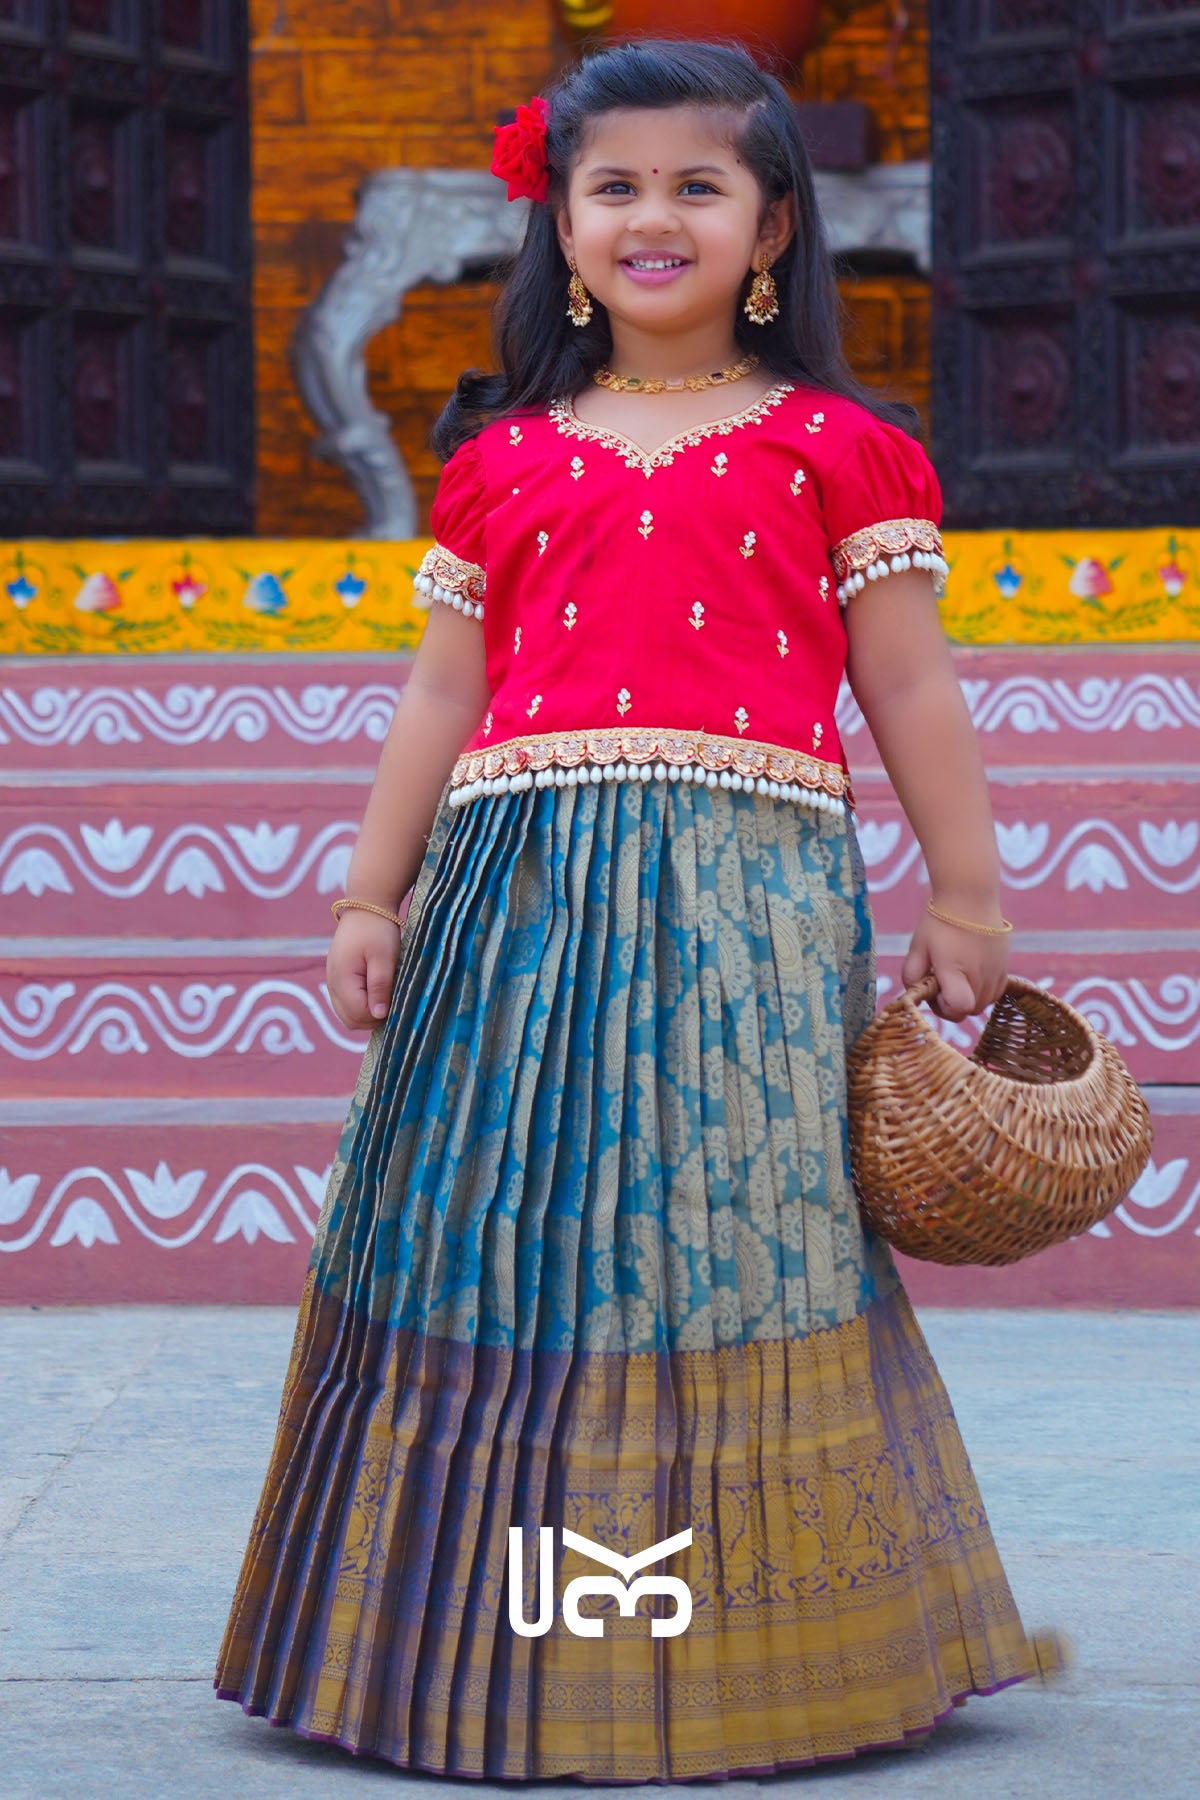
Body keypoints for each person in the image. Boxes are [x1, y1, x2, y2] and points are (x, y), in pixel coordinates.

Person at [215, 37, 1067, 1781]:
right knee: (502, 1229)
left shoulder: (842, 449)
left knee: (732, 1237)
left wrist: (968, 898)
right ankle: (496, 1651)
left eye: (699, 185)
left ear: (771, 233)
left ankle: (760, 1654)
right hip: (510, 909)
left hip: (748, 913)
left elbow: (910, 692)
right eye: (616, 185)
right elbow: (440, 704)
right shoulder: (501, 458)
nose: (654, 215)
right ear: (563, 224)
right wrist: (372, 892)